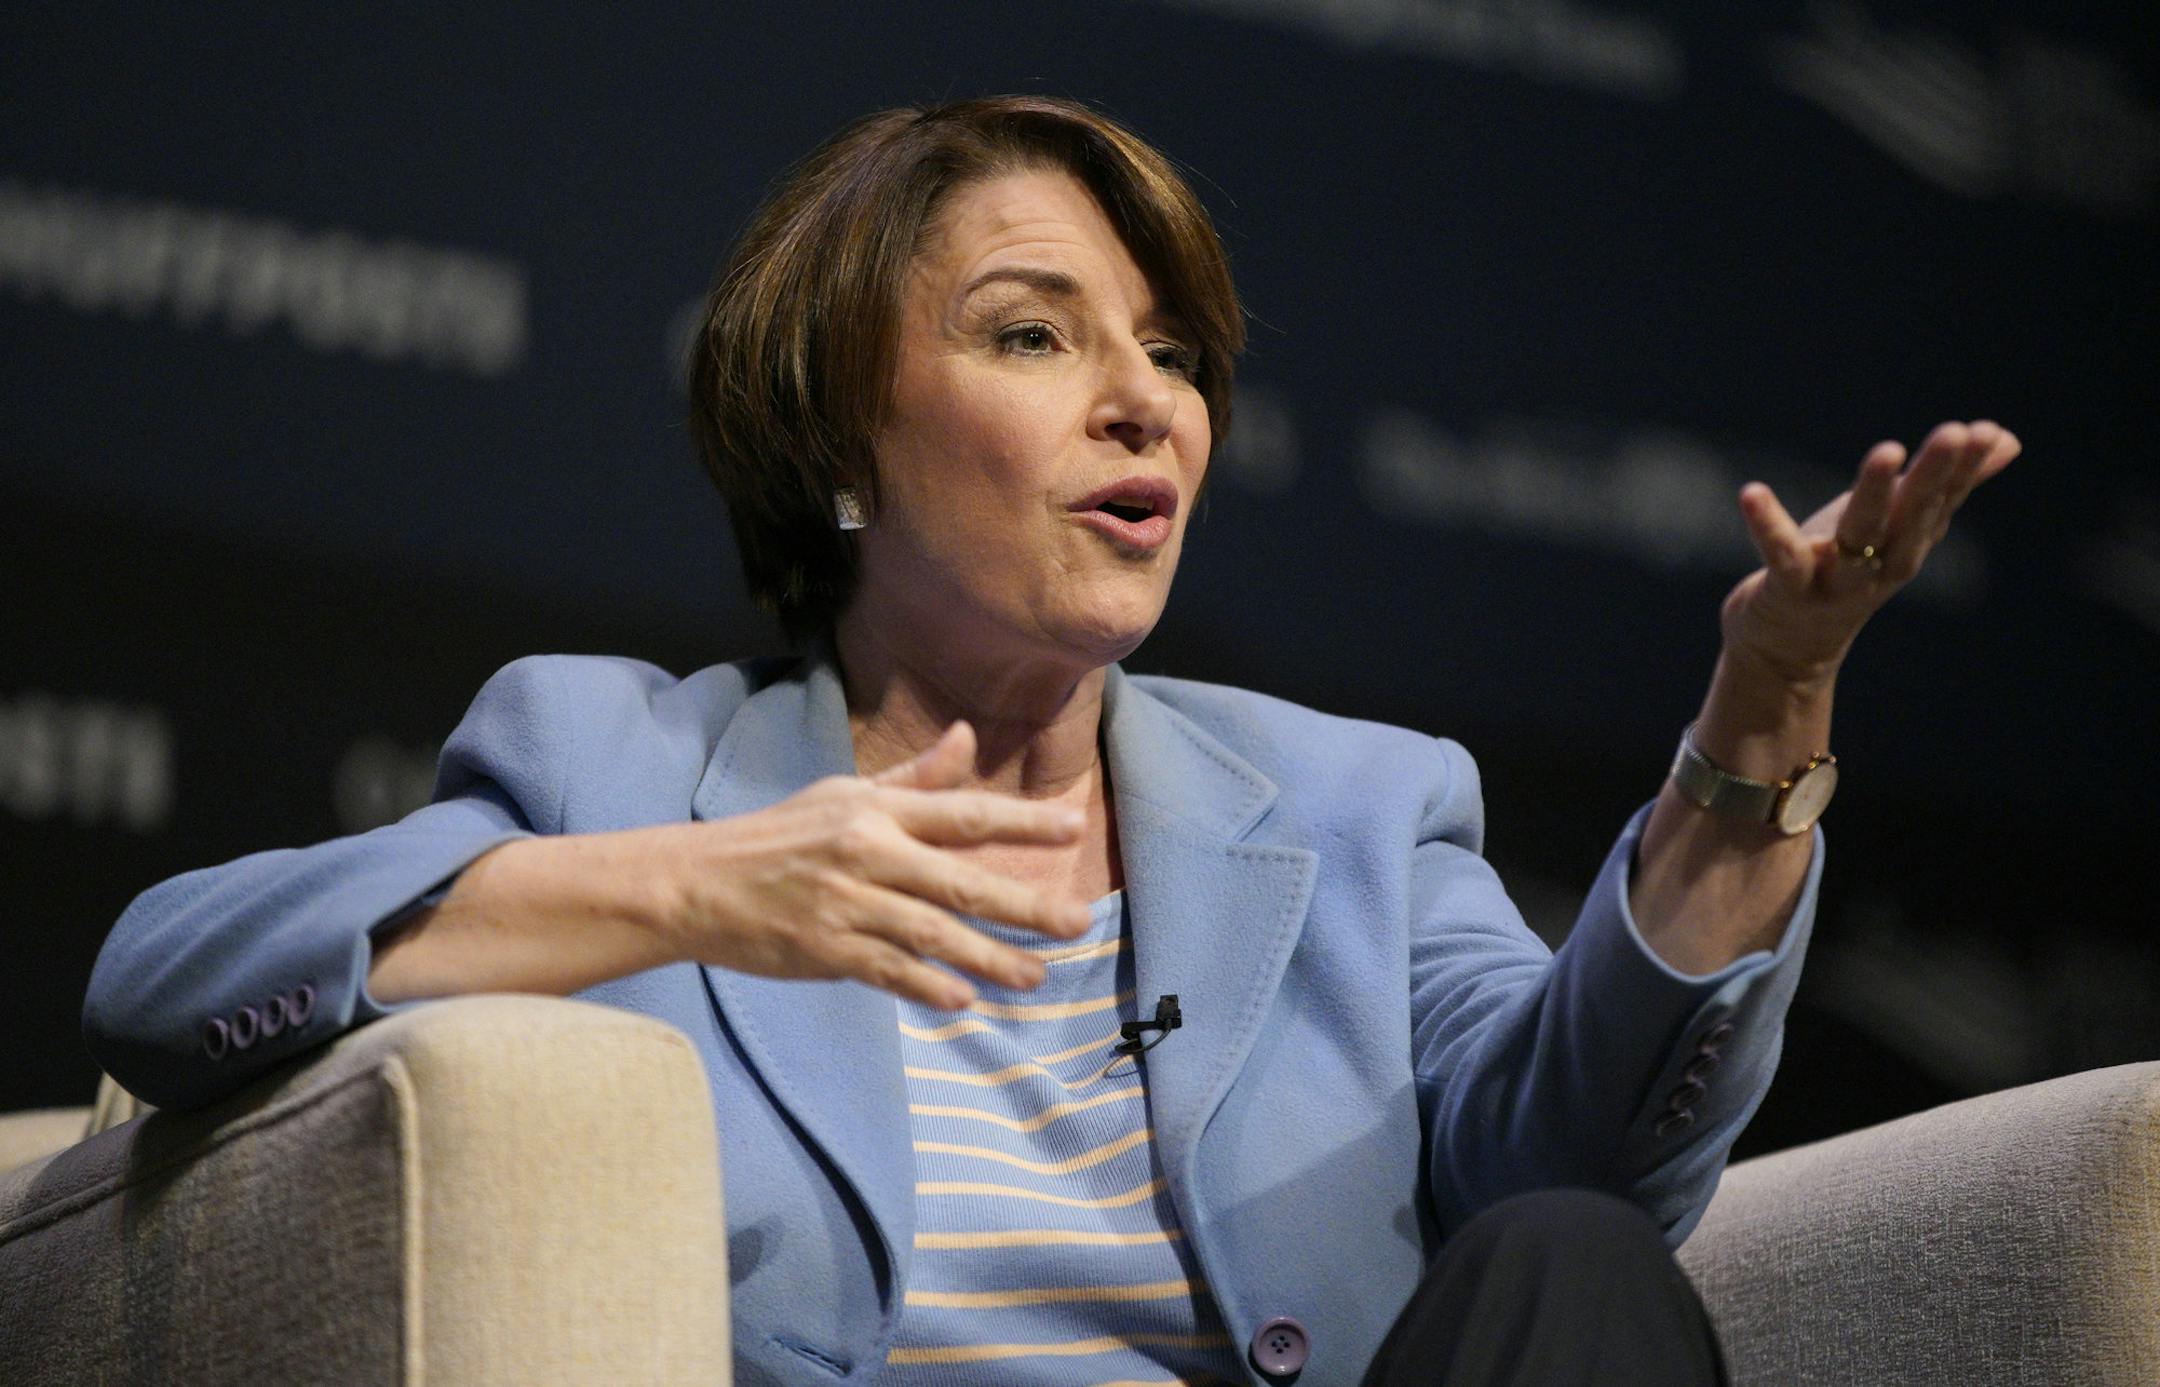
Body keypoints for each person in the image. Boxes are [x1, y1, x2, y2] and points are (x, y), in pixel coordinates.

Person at [84, 95, 2019, 1387]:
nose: (1144, 406)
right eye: (1035, 335)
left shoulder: (1351, 806)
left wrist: (1764, 714)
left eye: (1173, 355)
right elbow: (167, 986)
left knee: (1574, 1276)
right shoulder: (611, 766)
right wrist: (687, 889)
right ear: (844, 437)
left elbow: (1585, 1163)